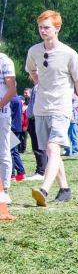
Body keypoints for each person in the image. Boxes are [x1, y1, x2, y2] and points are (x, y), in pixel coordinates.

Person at [25, 10, 78, 206]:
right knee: (51, 152)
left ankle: (44, 189)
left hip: (61, 108)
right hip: (41, 108)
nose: (42, 31)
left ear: (57, 28)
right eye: (40, 27)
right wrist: (39, 83)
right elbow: (32, 71)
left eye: (47, 27)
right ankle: (65, 189)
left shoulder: (69, 54)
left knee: (54, 148)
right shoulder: (34, 51)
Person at [0, 48, 16, 199]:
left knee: (3, 151)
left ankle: (4, 189)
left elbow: (12, 90)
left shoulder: (5, 62)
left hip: (2, 114)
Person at [9, 93, 26, 181]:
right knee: (14, 151)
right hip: (17, 127)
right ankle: (21, 173)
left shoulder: (11, 99)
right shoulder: (17, 98)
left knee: (10, 152)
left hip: (11, 127)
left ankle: (11, 175)